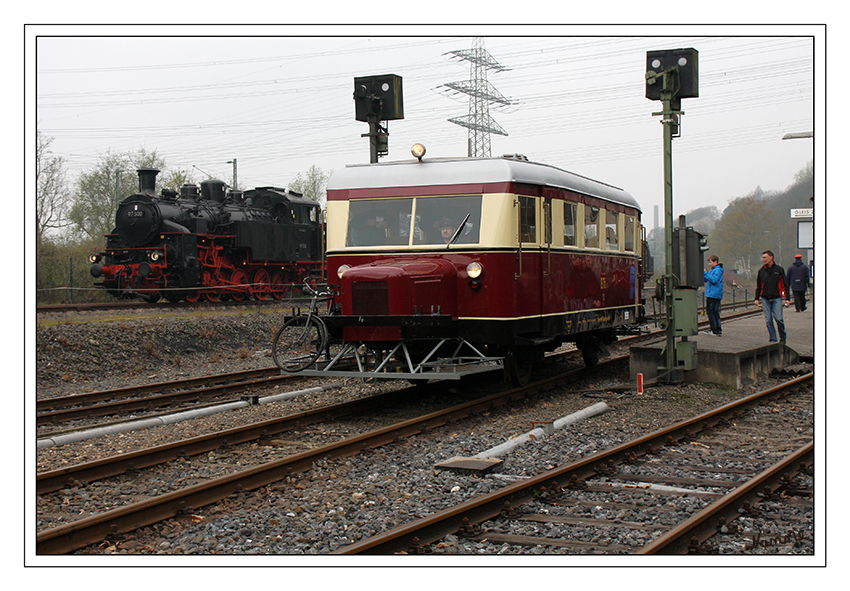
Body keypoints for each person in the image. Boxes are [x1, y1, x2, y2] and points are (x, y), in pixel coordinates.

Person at [754, 249, 791, 343]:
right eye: (762, 257)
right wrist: (757, 298)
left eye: (765, 257)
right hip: (765, 298)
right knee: (768, 320)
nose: (763, 259)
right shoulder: (761, 271)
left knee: (778, 318)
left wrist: (787, 298)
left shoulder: (779, 270)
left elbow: (785, 284)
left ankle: (783, 336)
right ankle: (773, 339)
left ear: (771, 257)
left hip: (776, 298)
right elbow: (759, 285)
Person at [702, 255, 723, 336]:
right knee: (715, 311)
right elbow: (709, 279)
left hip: (713, 294)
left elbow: (713, 280)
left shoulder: (717, 270)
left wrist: (705, 273)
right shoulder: (714, 270)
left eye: (710, 262)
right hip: (713, 293)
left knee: (712, 311)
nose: (709, 264)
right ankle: (716, 329)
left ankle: (714, 329)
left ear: (715, 262)